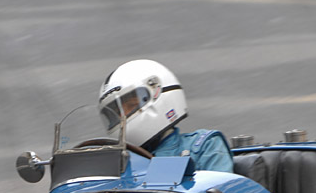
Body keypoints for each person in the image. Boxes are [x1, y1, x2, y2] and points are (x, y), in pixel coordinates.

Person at [97, 59, 234, 173]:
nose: (123, 116)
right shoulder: (118, 166)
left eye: (131, 106)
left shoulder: (204, 145)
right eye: (117, 114)